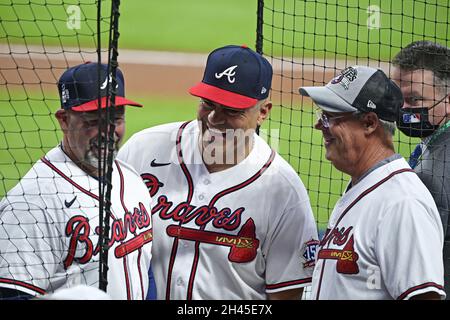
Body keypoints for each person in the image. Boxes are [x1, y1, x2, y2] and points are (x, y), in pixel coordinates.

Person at [117, 45, 319, 300]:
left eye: (231, 110)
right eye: (207, 103)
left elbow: (286, 295)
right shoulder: (143, 150)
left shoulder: (284, 191)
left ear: (263, 113)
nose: (213, 118)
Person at [0, 62, 153, 300]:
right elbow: (10, 295)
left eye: (116, 118)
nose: (107, 131)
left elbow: (143, 268)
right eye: (93, 121)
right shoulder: (29, 204)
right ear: (64, 119)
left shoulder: (131, 178)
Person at [299, 65, 445, 299]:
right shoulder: (366, 184)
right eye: (321, 115)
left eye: (330, 116)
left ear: (369, 123)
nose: (319, 125)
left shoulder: (403, 204)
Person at [391, 40, 450, 298]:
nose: (404, 110)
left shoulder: (431, 176)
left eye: (415, 99)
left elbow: (421, 267)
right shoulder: (435, 147)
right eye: (398, 98)